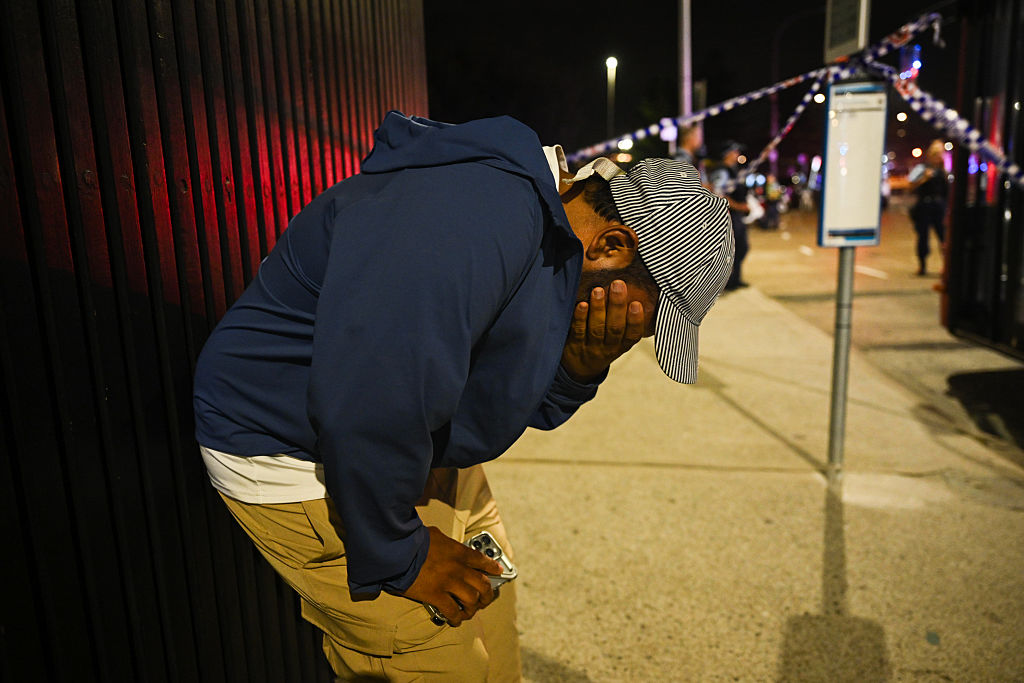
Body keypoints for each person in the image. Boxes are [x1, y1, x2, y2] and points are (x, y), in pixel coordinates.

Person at [193, 111, 734, 681]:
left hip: (407, 441)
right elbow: (371, 396)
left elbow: (500, 405)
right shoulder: (476, 215)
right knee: (440, 665)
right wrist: (400, 554)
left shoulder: (552, 249)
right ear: (611, 246)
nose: (635, 333)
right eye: (647, 316)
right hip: (300, 450)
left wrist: (579, 364)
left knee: (492, 632)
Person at [709, 140, 751, 290]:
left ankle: (735, 278)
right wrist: (739, 206)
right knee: (732, 249)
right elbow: (718, 194)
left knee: (741, 247)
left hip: (736, 216)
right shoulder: (722, 171)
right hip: (729, 216)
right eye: (735, 152)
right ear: (727, 153)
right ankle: (728, 281)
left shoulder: (732, 170)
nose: (737, 155)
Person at [908, 139, 949, 275]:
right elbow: (910, 184)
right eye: (936, 154)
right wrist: (924, 178)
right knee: (923, 237)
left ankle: (947, 266)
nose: (938, 157)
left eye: (940, 154)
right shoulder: (922, 168)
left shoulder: (943, 171)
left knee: (943, 237)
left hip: (939, 206)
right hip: (924, 205)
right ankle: (922, 265)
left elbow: (947, 191)